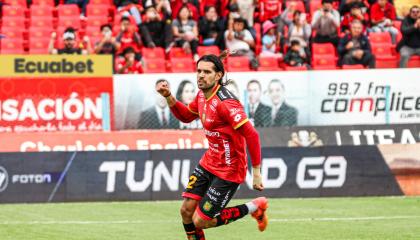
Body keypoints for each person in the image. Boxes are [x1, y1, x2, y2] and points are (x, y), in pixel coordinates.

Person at [155, 51, 268, 240]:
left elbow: (252, 134)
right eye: (199, 71)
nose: (200, 75)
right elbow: (186, 116)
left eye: (206, 72)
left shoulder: (226, 104)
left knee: (200, 221)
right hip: (209, 162)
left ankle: (254, 207)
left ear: (218, 76)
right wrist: (169, 97)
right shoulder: (201, 96)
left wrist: (256, 173)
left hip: (230, 170)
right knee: (186, 211)